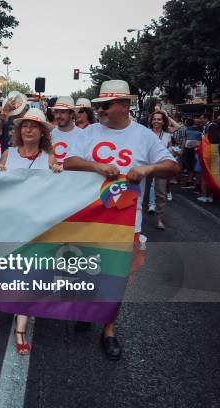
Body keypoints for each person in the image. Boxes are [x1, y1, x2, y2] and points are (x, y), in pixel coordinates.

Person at [64, 80, 178, 360]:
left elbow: (173, 167)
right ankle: (88, 311)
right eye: (99, 105)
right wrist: (97, 166)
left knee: (115, 278)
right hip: (89, 218)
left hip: (125, 221)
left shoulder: (143, 136)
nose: (100, 110)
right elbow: (68, 161)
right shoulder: (88, 132)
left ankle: (109, 330)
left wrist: (148, 168)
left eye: (106, 105)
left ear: (125, 105)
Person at [0, 108, 62, 355]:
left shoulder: (49, 157)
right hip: (10, 224)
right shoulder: (8, 154)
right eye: (25, 125)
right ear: (18, 130)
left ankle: (20, 327)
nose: (29, 129)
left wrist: (58, 173)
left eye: (34, 126)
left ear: (42, 132)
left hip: (37, 226)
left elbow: (61, 188)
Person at [143, 111, 173, 230]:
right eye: (154, 119)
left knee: (161, 193)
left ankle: (159, 219)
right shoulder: (146, 133)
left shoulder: (167, 135)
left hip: (161, 167)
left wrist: (171, 150)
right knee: (145, 192)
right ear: (151, 121)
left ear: (163, 121)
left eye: (159, 119)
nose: (156, 121)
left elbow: (170, 147)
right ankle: (143, 214)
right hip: (147, 166)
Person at [49, 96, 84, 165]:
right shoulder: (50, 134)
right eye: (56, 112)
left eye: (62, 112)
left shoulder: (82, 135)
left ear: (72, 114)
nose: (58, 116)